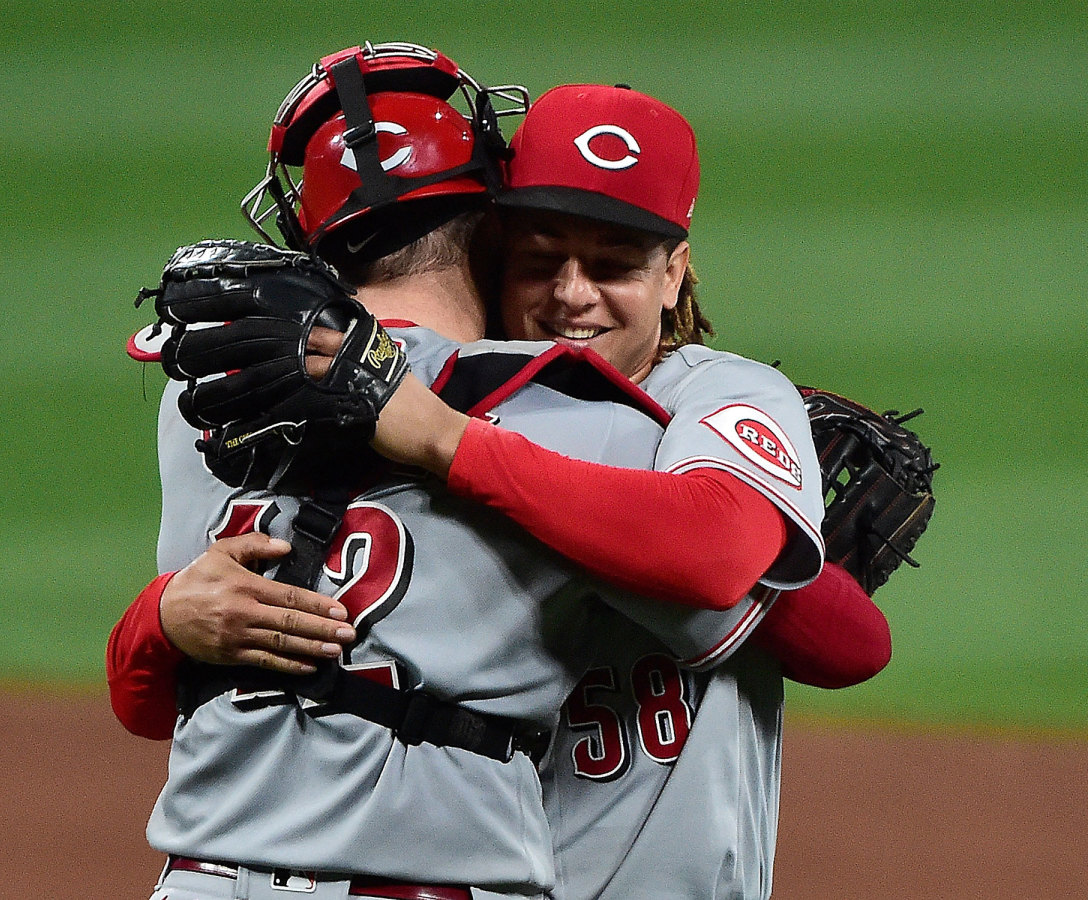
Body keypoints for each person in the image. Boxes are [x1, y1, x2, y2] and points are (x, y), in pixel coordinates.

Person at [111, 51, 888, 900]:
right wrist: (167, 616)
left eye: (615, 264)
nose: (572, 296)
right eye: (540, 256)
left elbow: (834, 634)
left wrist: (444, 439)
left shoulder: (705, 401)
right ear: (490, 242)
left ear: (676, 273)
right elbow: (156, 691)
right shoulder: (561, 414)